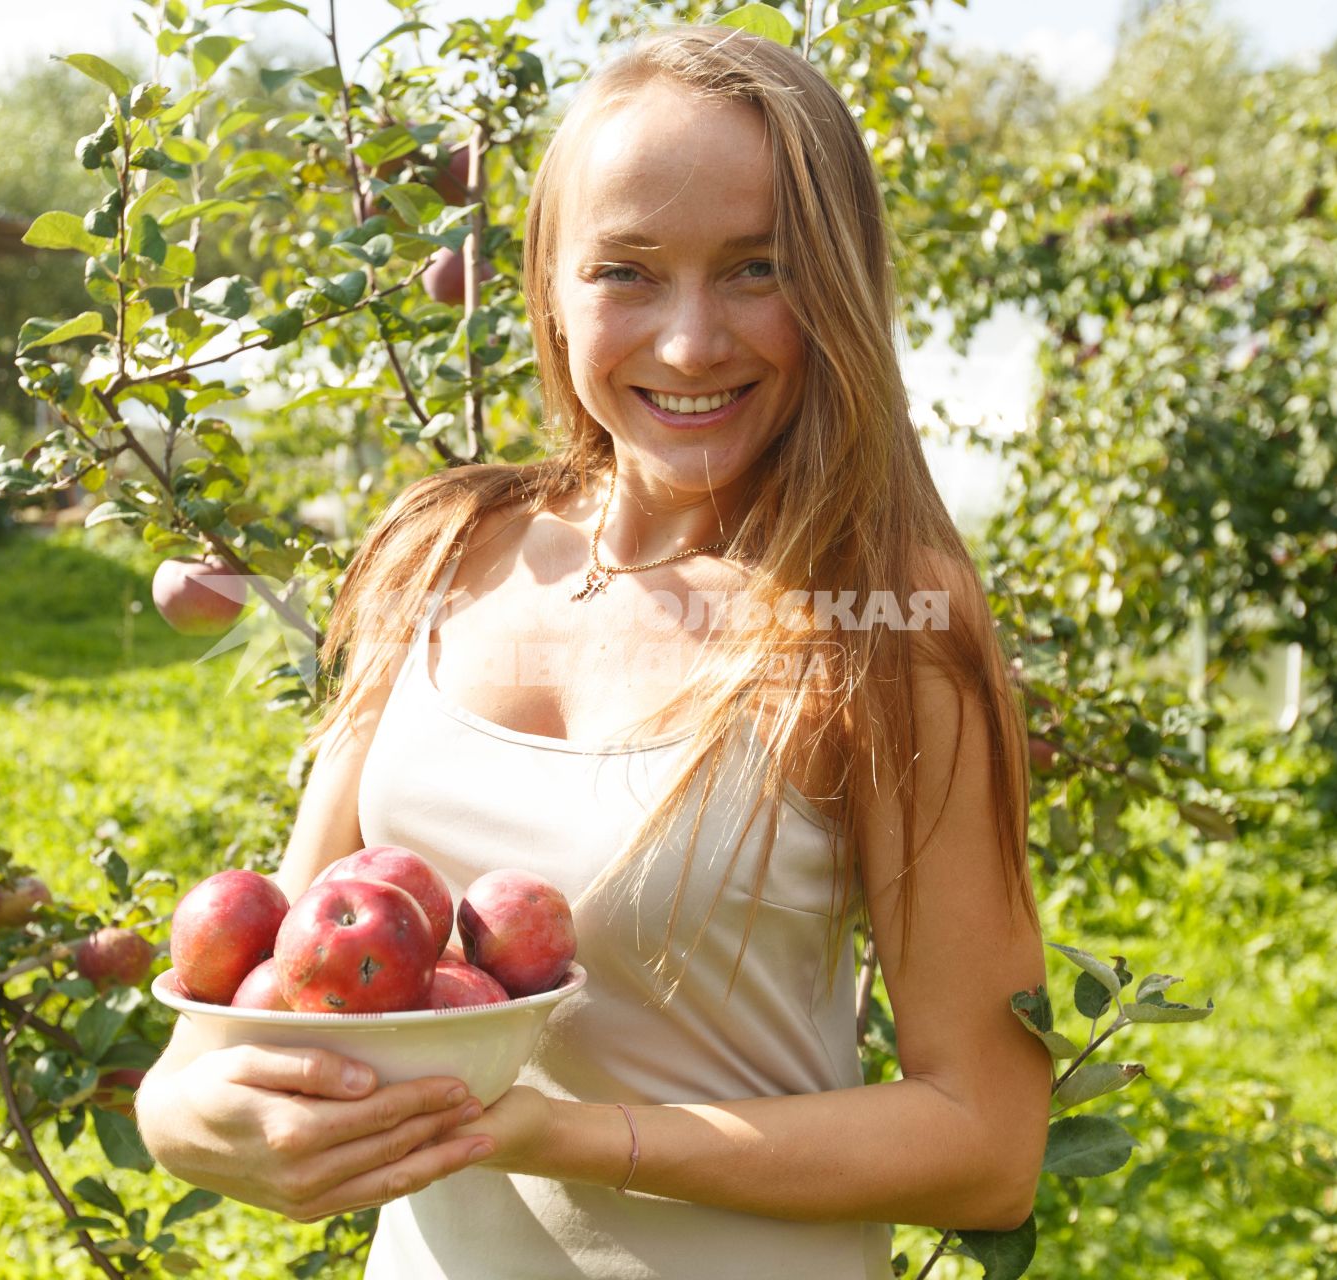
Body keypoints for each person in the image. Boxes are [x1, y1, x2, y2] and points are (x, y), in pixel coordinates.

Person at [135, 22, 1050, 1278]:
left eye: (756, 268)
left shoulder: (884, 620)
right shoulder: (442, 553)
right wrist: (193, 1121)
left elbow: (986, 1138)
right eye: (625, 271)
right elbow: (233, 1023)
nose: (688, 342)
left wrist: (573, 1135)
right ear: (551, 290)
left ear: (837, 285)